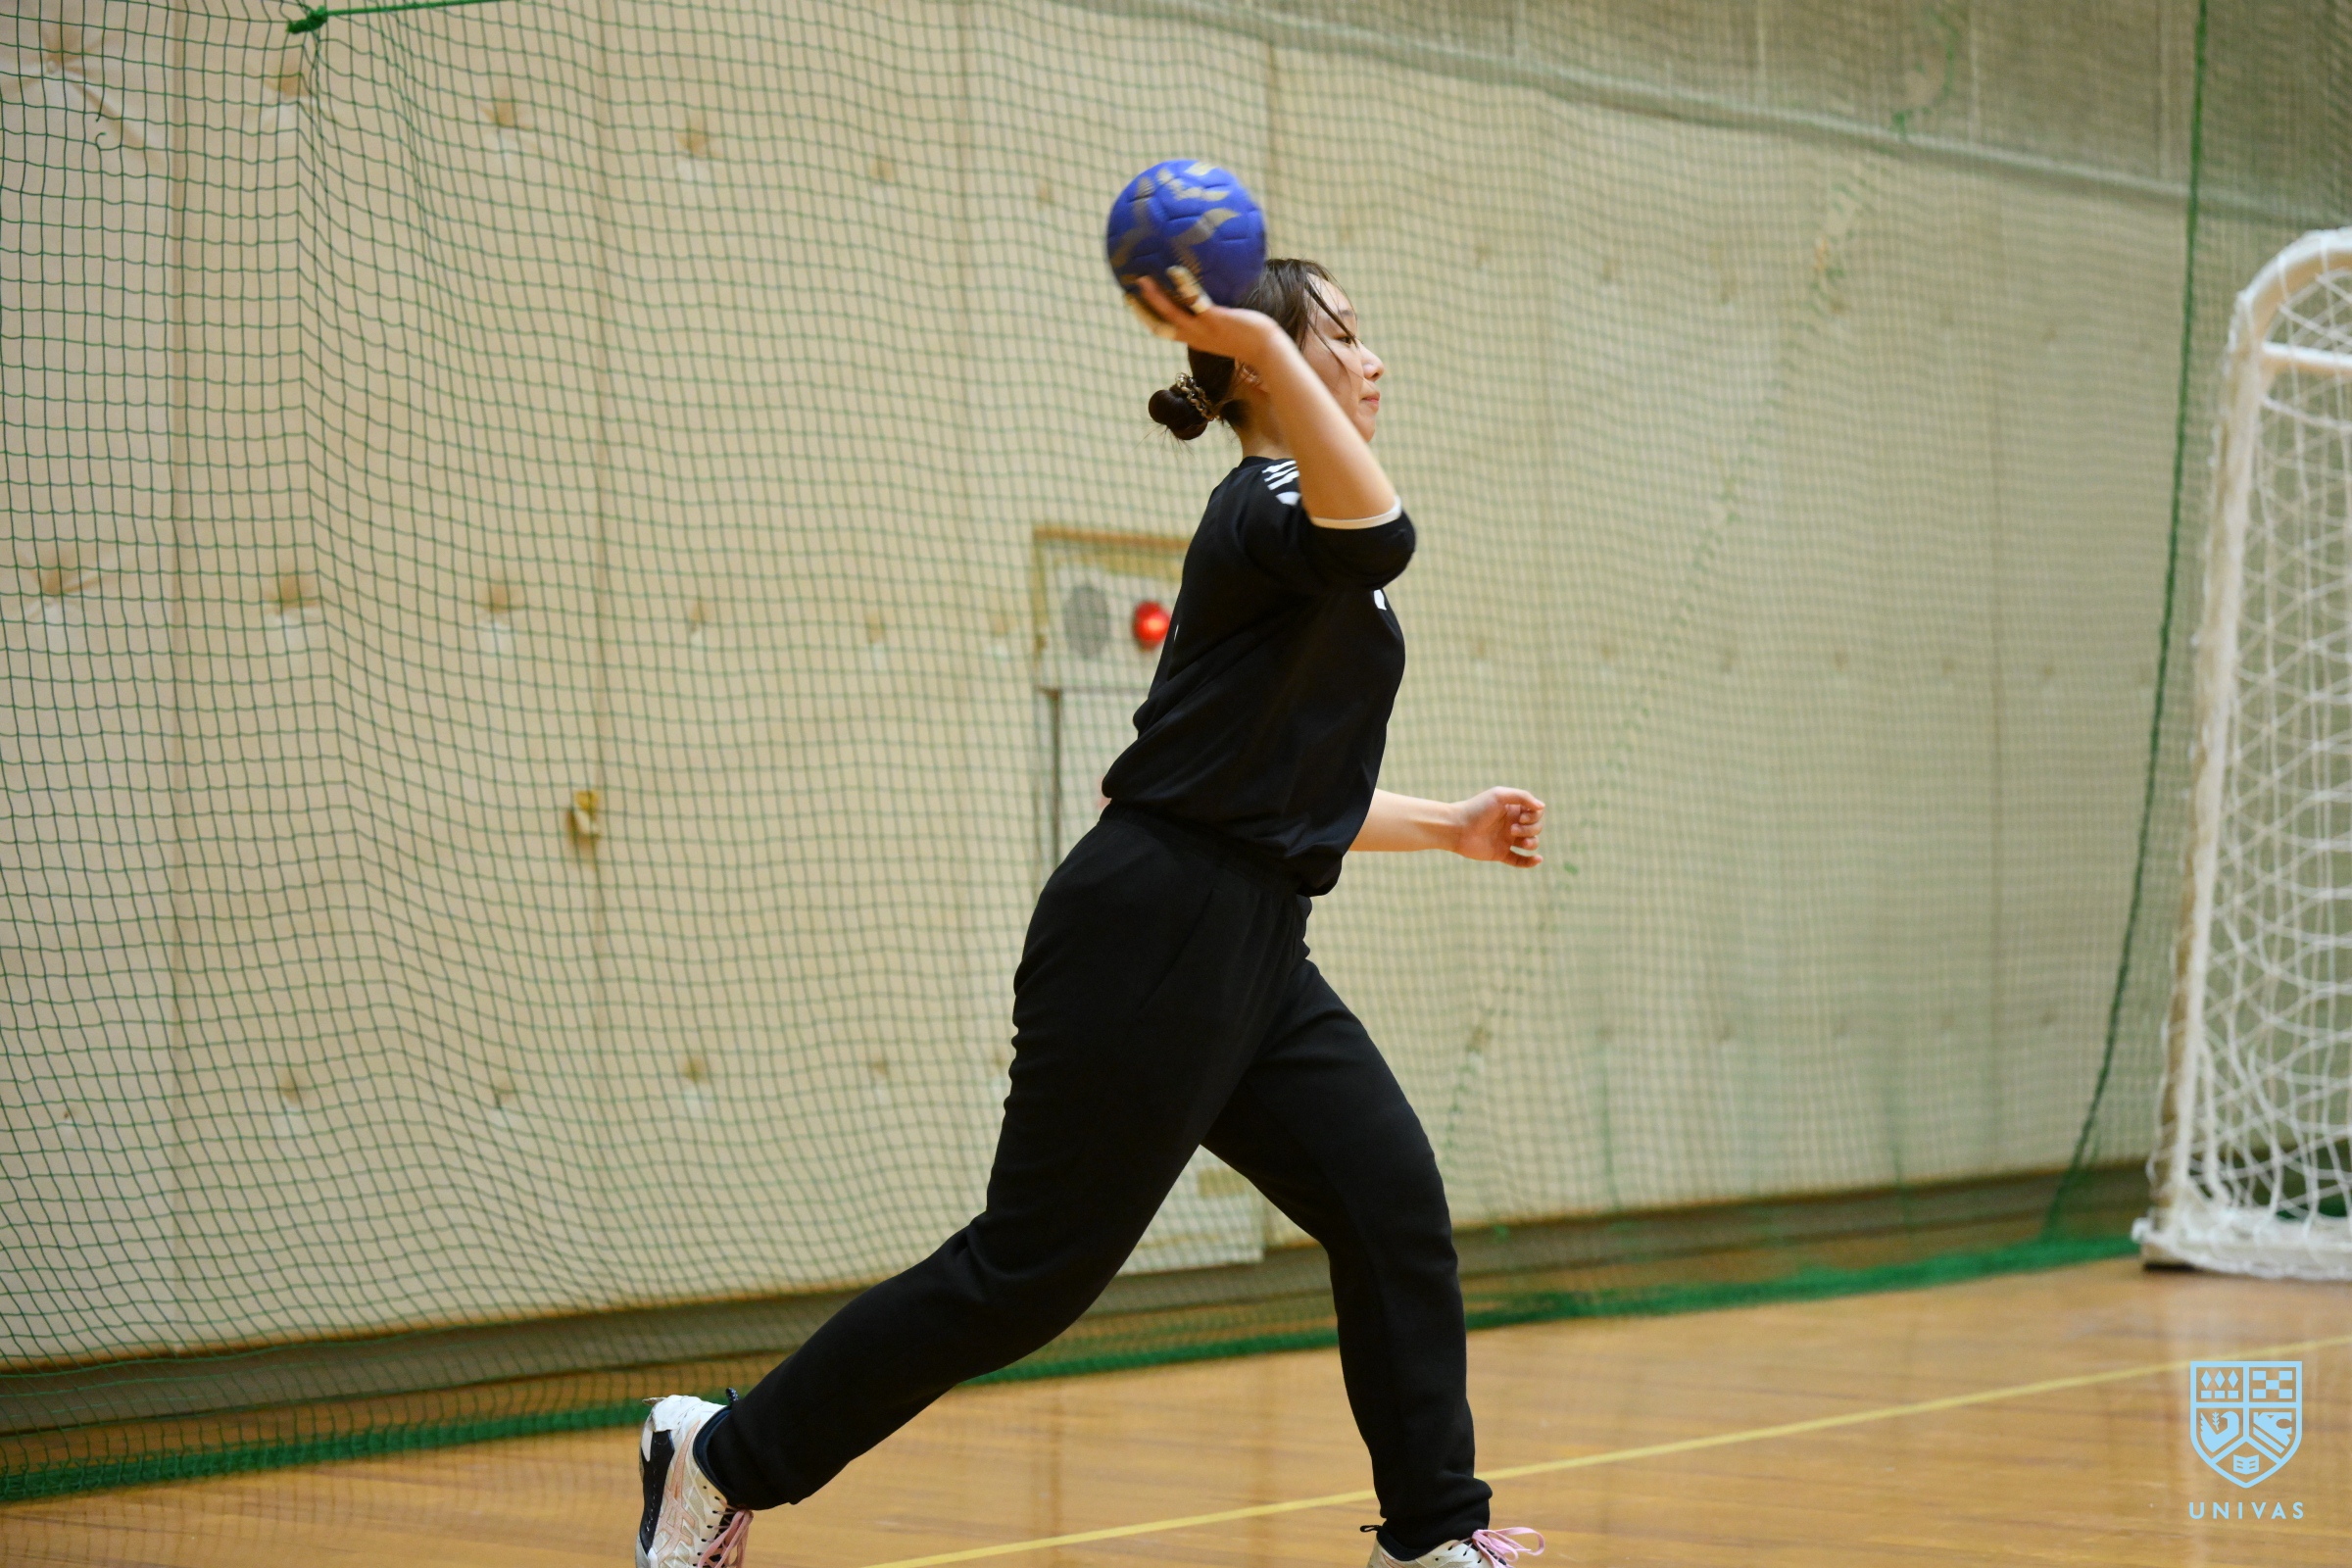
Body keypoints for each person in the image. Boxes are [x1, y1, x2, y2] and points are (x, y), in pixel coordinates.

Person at [638, 258, 1548, 1568]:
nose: (1372, 359)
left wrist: (1447, 825)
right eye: (1341, 336)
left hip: (1251, 939)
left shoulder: (1309, 530)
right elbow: (1382, 536)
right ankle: (719, 1458)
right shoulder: (1271, 500)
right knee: (1028, 1275)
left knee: (1389, 1202)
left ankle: (1430, 1538)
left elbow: (1275, 786)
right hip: (1152, 930)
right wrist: (1259, 345)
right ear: (1263, 366)